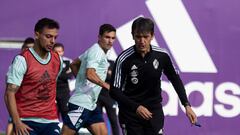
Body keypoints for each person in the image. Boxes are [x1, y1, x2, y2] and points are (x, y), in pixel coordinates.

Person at [109, 17, 197, 135]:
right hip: (130, 114)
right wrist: (136, 107)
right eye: (138, 37)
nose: (142, 41)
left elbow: (175, 79)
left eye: (146, 37)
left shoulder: (162, 55)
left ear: (152, 36)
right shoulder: (123, 59)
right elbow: (114, 91)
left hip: (154, 112)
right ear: (132, 36)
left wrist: (186, 105)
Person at [4, 18, 62, 135]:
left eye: (55, 37)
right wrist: (17, 122)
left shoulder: (57, 60)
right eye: (48, 36)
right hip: (26, 121)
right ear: (37, 35)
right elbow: (9, 94)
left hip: (50, 120)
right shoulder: (22, 60)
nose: (52, 41)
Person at [61, 24, 116, 135]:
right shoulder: (97, 52)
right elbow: (90, 74)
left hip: (91, 105)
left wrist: (81, 82)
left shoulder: (94, 50)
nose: (110, 41)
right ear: (99, 37)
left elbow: (74, 64)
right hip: (80, 105)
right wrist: (107, 86)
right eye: (107, 37)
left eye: (112, 38)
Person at [5, 37, 35, 135]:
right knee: (15, 125)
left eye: (32, 48)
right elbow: (8, 92)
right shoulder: (18, 62)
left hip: (34, 108)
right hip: (19, 104)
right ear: (23, 49)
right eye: (27, 48)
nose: (29, 51)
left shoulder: (37, 64)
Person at [97, 59, 120, 135]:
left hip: (109, 96)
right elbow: (94, 77)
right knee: (98, 121)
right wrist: (107, 74)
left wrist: (106, 75)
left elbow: (115, 78)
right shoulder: (96, 62)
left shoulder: (112, 63)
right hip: (97, 96)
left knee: (113, 119)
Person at [53, 43, 73, 120]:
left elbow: (69, 76)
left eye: (60, 51)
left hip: (64, 92)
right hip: (52, 92)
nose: (58, 53)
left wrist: (57, 75)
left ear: (63, 52)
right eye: (56, 51)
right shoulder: (48, 62)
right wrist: (63, 74)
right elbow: (49, 76)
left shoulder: (68, 62)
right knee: (53, 116)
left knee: (66, 114)